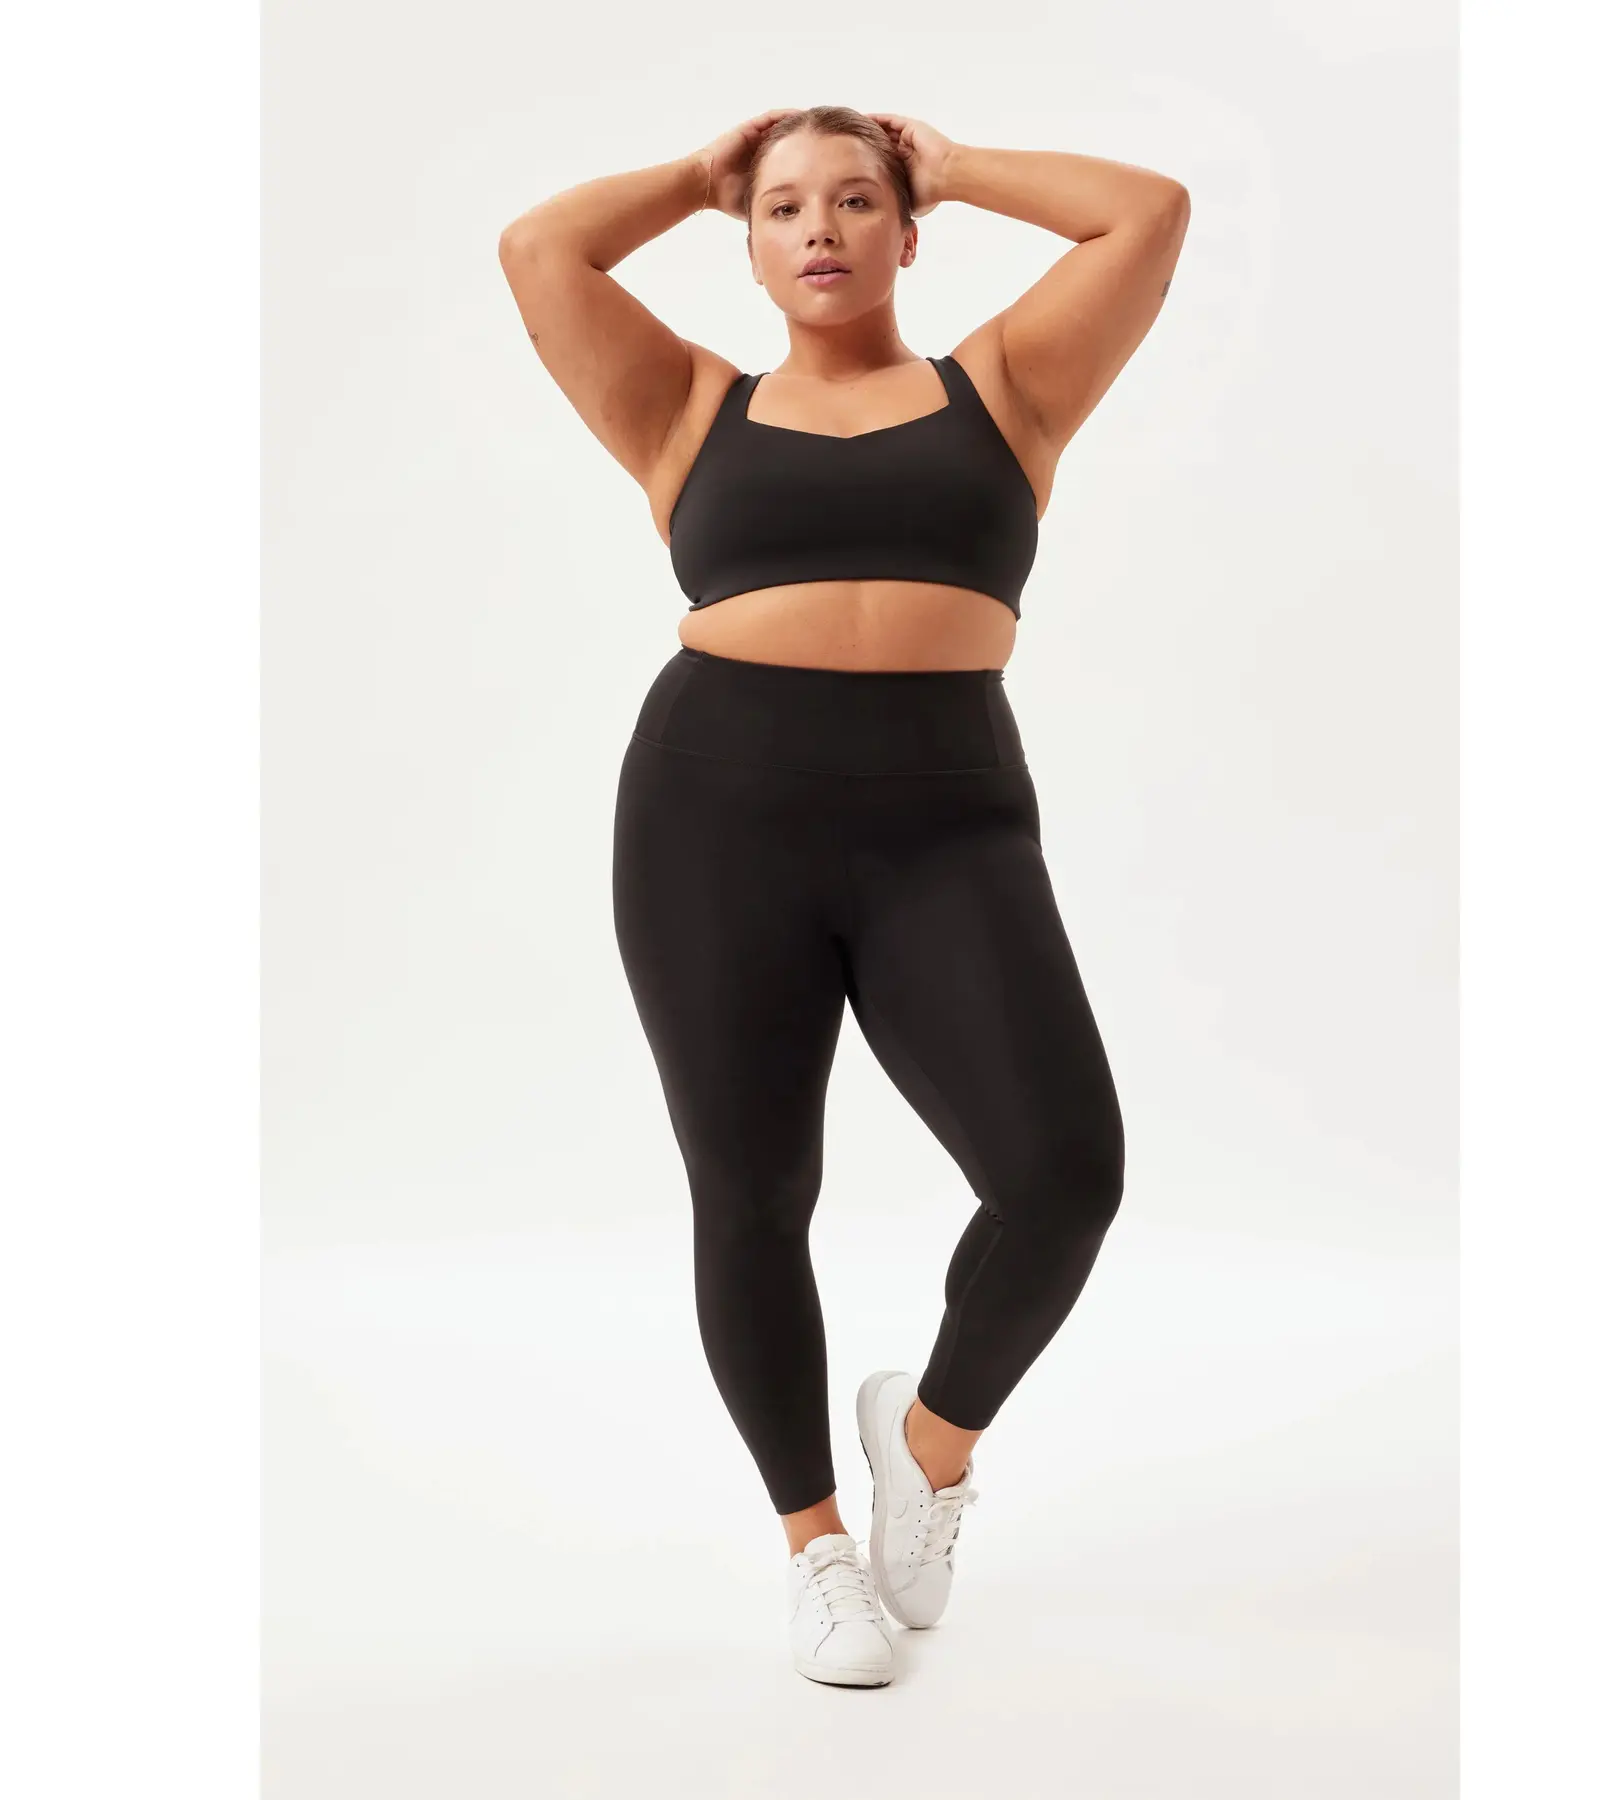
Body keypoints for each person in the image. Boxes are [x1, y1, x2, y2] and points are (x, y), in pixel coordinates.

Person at [498, 105, 1189, 1687]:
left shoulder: (1006, 385)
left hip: (949, 817)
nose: (820, 227)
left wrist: (957, 163)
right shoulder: (687, 404)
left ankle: (926, 1452)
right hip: (713, 812)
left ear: (907, 232)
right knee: (752, 1191)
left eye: (859, 200)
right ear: (747, 244)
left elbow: (1146, 211)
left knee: (1063, 1173)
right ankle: (817, 1550)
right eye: (784, 207)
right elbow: (540, 249)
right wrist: (697, 174)